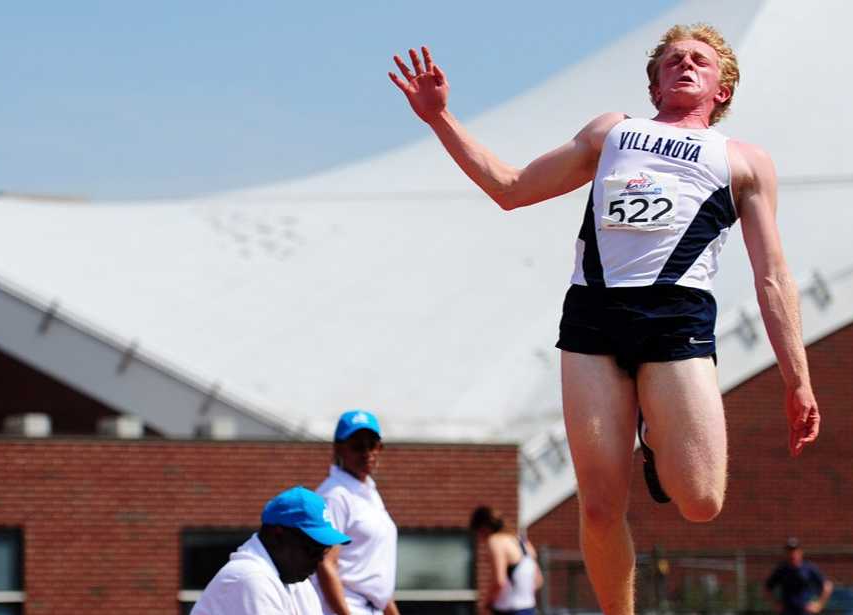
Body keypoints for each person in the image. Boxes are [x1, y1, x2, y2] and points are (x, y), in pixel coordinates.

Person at [389, 22, 821, 615]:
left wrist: (797, 379)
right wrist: (440, 117)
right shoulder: (612, 132)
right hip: (593, 316)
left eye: (698, 59)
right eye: (671, 59)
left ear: (722, 89)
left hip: (675, 319)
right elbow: (510, 188)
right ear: (654, 83)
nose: (683, 64)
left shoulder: (743, 161)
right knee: (598, 505)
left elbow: (773, 276)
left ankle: (656, 434)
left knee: (701, 501)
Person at [194, 486, 353, 615]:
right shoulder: (250, 578)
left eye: (324, 551)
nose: (319, 560)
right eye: (312, 549)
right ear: (277, 535)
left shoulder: (299, 584)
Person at [315, 410, 400, 615]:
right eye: (357, 446)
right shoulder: (335, 495)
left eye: (373, 445)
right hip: (347, 608)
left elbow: (374, 573)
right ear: (339, 450)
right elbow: (325, 563)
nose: (367, 452)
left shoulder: (368, 492)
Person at [470, 505, 542, 615]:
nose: (480, 539)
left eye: (478, 533)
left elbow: (499, 581)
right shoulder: (523, 542)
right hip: (529, 609)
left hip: (509, 610)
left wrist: (486, 604)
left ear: (483, 529)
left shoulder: (495, 541)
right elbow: (538, 581)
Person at [765, 538, 833, 615]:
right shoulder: (781, 569)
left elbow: (827, 585)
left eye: (795, 551)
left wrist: (819, 604)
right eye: (789, 551)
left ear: (800, 552)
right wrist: (775, 604)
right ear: (786, 553)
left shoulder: (808, 568)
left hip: (805, 611)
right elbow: (767, 588)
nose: (792, 554)